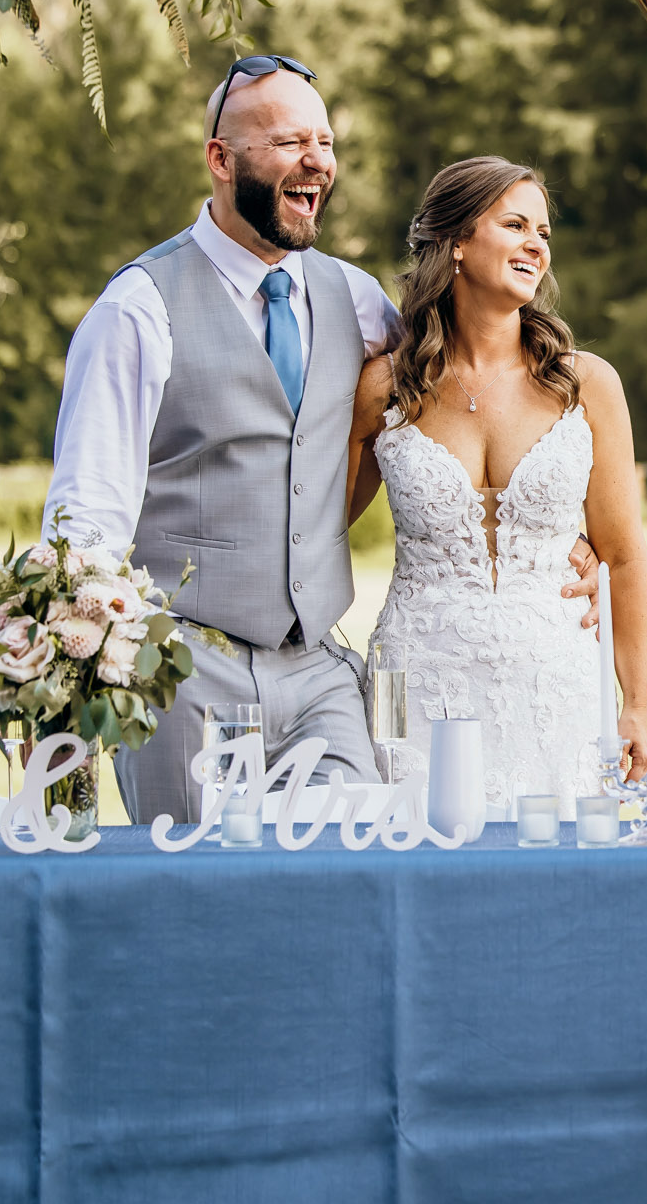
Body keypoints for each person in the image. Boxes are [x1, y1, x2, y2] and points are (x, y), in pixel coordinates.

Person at [42, 56, 400, 824]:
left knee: (352, 878)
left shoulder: (359, 300)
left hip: (320, 669)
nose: (317, 161)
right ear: (221, 159)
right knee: (191, 907)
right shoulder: (137, 308)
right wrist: (73, 692)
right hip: (181, 674)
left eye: (326, 141)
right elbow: (88, 513)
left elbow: (461, 391)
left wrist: (549, 527)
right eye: (288, 142)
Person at [355, 156, 647, 813]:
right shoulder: (385, 387)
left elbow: (626, 553)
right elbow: (315, 532)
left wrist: (636, 706)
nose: (536, 245)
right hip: (412, 675)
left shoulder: (587, 386)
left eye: (543, 232)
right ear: (457, 242)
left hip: (556, 681)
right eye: (516, 224)